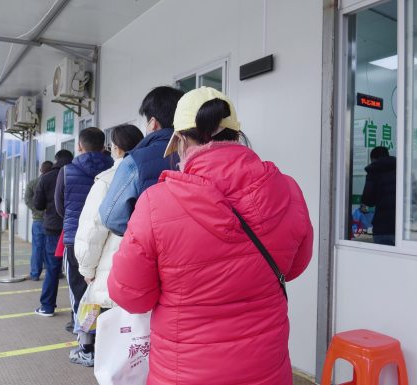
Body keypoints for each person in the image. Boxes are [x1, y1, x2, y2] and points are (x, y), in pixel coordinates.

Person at [107, 87, 314, 384]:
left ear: (179, 140)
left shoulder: (155, 203)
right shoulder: (288, 189)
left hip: (184, 373)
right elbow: (294, 267)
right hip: (267, 369)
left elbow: (129, 294)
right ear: (237, 136)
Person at [72, 124, 144, 367]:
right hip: (140, 267)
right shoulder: (151, 172)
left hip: (110, 265)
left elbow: (93, 229)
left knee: (105, 323)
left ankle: (92, 354)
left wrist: (86, 268)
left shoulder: (107, 180)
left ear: (116, 148)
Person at [55, 127, 114, 365]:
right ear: (103, 146)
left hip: (76, 241)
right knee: (106, 294)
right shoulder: (114, 169)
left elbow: (60, 207)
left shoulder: (67, 171)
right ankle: (105, 344)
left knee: (81, 295)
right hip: (109, 241)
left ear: (79, 146)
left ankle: (86, 347)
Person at [98, 86, 185, 236]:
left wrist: (144, 235)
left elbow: (111, 217)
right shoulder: (199, 153)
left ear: (152, 123)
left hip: (154, 251)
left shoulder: (134, 162)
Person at [33, 150, 73, 317]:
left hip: (53, 228)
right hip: (73, 227)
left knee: (52, 268)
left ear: (56, 160)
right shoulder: (75, 174)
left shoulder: (46, 177)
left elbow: (38, 204)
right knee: (77, 271)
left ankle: (47, 306)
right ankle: (77, 312)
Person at [360, 146, 396, 246]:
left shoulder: (374, 171)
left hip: (383, 228)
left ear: (374, 159)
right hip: (403, 231)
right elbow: (416, 197)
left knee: (383, 260)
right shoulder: (403, 170)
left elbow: (368, 200)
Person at [25, 161, 53, 281]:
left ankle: (35, 274)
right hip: (52, 220)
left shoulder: (32, 183)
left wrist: (38, 211)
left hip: (38, 220)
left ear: (41, 170)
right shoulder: (55, 181)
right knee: (51, 247)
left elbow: (27, 200)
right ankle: (53, 272)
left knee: (37, 247)